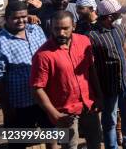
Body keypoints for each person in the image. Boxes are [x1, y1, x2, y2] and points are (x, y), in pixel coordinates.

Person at [30, 10, 103, 149]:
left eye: (65, 28)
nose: (61, 33)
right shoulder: (42, 56)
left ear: (73, 27)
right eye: (56, 29)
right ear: (51, 28)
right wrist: (54, 114)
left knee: (95, 142)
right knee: (70, 146)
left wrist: (99, 96)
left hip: (89, 105)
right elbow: (37, 89)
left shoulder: (84, 41)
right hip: (65, 112)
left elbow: (91, 70)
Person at [0, 0, 50, 149]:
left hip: (44, 98)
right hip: (19, 105)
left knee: (51, 135)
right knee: (18, 143)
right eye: (15, 18)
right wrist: (6, 107)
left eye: (24, 16)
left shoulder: (35, 30)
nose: (21, 20)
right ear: (7, 18)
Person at [88, 0, 126, 149]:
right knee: (110, 121)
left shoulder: (119, 28)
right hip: (108, 87)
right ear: (108, 17)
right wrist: (97, 93)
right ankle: (111, 146)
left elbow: (125, 47)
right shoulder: (92, 36)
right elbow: (92, 67)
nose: (121, 17)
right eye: (118, 15)